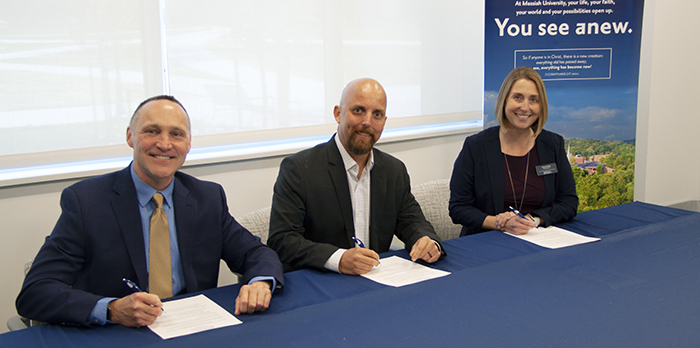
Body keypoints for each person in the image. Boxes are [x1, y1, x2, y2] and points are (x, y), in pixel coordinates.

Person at [16, 95, 284, 327]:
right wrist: (111, 309)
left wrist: (260, 282)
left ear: (188, 144)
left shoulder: (207, 197)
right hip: (119, 334)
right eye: (152, 131)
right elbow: (36, 292)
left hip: (193, 328)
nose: (164, 144)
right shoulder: (86, 202)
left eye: (176, 134)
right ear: (130, 136)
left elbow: (254, 252)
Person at [267, 78, 446, 274]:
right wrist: (338, 259)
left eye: (377, 114)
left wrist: (426, 240)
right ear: (338, 113)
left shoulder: (394, 170)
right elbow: (282, 240)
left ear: (384, 122)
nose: (367, 122)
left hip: (378, 281)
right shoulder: (299, 169)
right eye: (358, 110)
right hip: (322, 280)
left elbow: (412, 221)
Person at [449, 66, 578, 237]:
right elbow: (458, 208)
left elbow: (569, 202)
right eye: (517, 98)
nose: (525, 107)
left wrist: (533, 220)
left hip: (540, 239)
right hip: (487, 240)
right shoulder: (476, 146)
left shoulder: (553, 144)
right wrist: (498, 223)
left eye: (534, 100)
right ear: (504, 101)